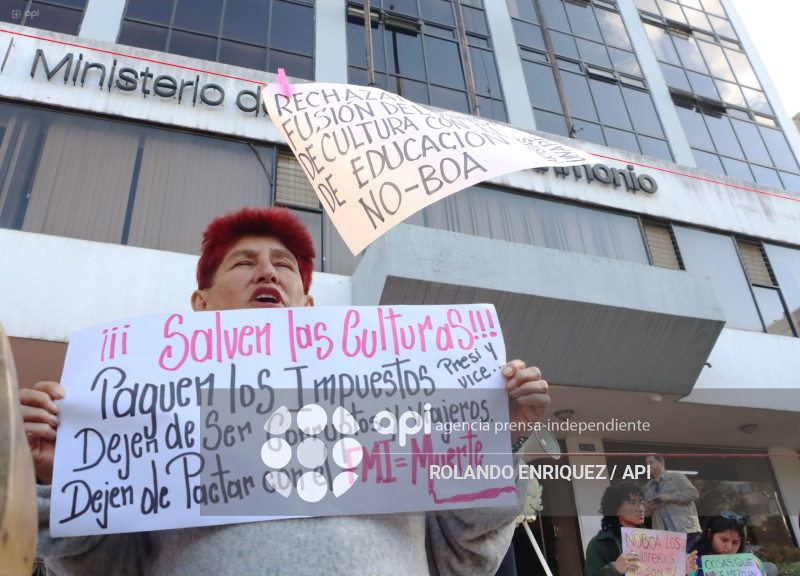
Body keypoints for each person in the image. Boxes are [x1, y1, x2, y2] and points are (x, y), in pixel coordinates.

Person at [21, 206, 551, 576]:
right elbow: (103, 569)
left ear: (306, 304)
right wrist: (52, 480)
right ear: (200, 304)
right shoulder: (149, 414)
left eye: (283, 266)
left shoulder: (390, 395)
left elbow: (463, 555)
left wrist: (493, 441)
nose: (266, 272)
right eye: (243, 262)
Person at [585, 481, 698, 576]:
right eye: (633, 503)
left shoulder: (657, 541)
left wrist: (682, 571)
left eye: (641, 503)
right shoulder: (599, 544)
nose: (641, 509)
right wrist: (614, 570)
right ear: (615, 509)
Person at [644, 454, 702, 550]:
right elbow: (646, 513)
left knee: (695, 563)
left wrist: (670, 497)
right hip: (665, 539)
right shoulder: (647, 488)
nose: (648, 465)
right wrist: (649, 508)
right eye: (646, 463)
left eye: (651, 462)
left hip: (688, 532)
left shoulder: (677, 477)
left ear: (661, 463)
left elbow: (694, 493)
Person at [689, 514, 768, 576]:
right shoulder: (690, 562)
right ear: (710, 534)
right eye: (724, 540)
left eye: (735, 542)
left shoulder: (753, 563)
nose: (729, 547)